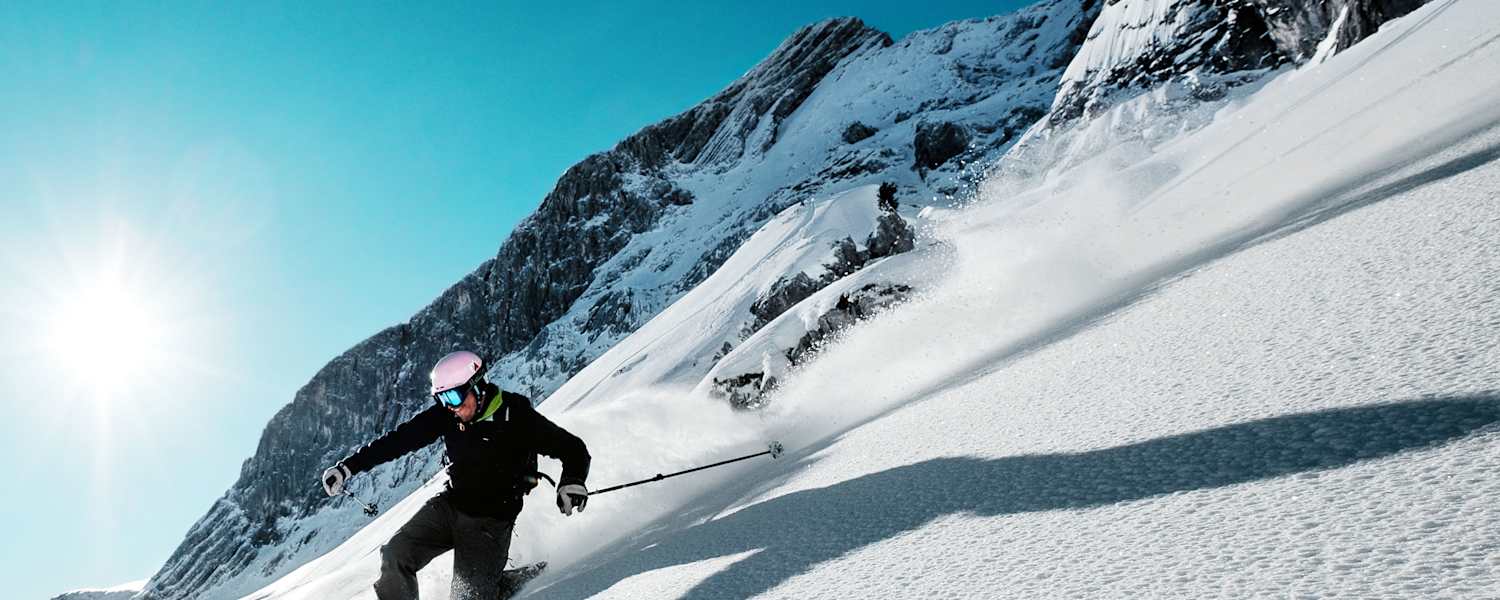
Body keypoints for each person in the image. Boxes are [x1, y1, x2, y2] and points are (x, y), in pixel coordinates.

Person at [320, 350, 591, 600]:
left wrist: (572, 481)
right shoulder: (448, 416)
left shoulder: (516, 416)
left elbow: (573, 448)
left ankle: (498, 583)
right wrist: (348, 467)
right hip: (450, 506)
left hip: (490, 521)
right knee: (396, 555)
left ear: (478, 387)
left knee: (467, 596)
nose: (448, 406)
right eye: (441, 398)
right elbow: (398, 441)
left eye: (453, 397)